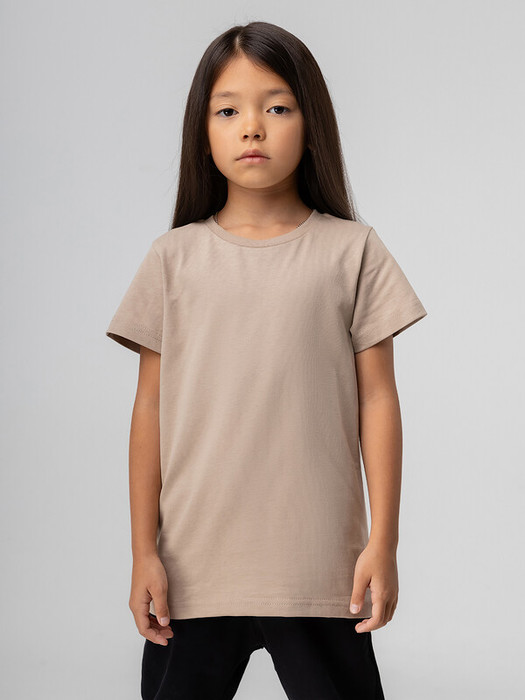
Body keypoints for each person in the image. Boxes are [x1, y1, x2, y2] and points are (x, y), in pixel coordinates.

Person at [105, 20, 428, 700]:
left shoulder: (353, 252)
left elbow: (378, 400)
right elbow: (149, 409)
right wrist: (143, 552)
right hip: (195, 568)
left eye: (277, 107)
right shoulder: (172, 260)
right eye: (228, 111)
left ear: (312, 125)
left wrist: (384, 543)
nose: (252, 126)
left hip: (319, 568)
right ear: (203, 132)